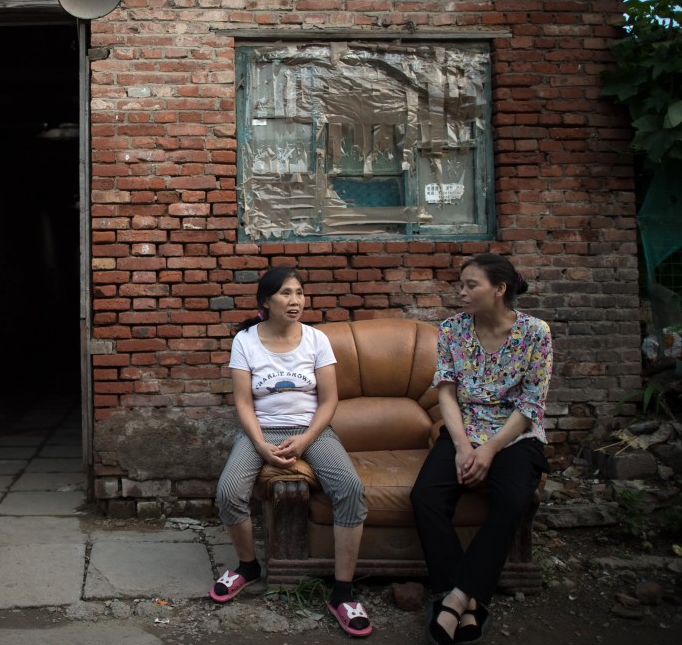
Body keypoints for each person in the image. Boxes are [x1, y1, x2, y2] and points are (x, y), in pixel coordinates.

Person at [210, 266, 372, 637]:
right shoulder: (246, 341)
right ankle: (248, 567)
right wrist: (262, 446)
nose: (295, 300)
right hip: (261, 430)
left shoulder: (316, 339)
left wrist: (305, 439)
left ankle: (342, 593)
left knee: (350, 488)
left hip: (312, 430)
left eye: (299, 292)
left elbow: (329, 400)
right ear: (265, 301)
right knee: (229, 492)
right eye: (285, 293)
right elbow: (244, 404)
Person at [410, 253, 553, 645]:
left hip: (514, 436)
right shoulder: (452, 330)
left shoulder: (536, 333)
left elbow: (531, 405)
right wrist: (461, 446)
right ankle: (470, 602)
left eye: (471, 285)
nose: (462, 292)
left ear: (499, 289)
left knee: (512, 500)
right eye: (462, 285)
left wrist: (489, 449)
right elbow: (448, 393)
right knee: (424, 496)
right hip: (463, 430)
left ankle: (454, 598)